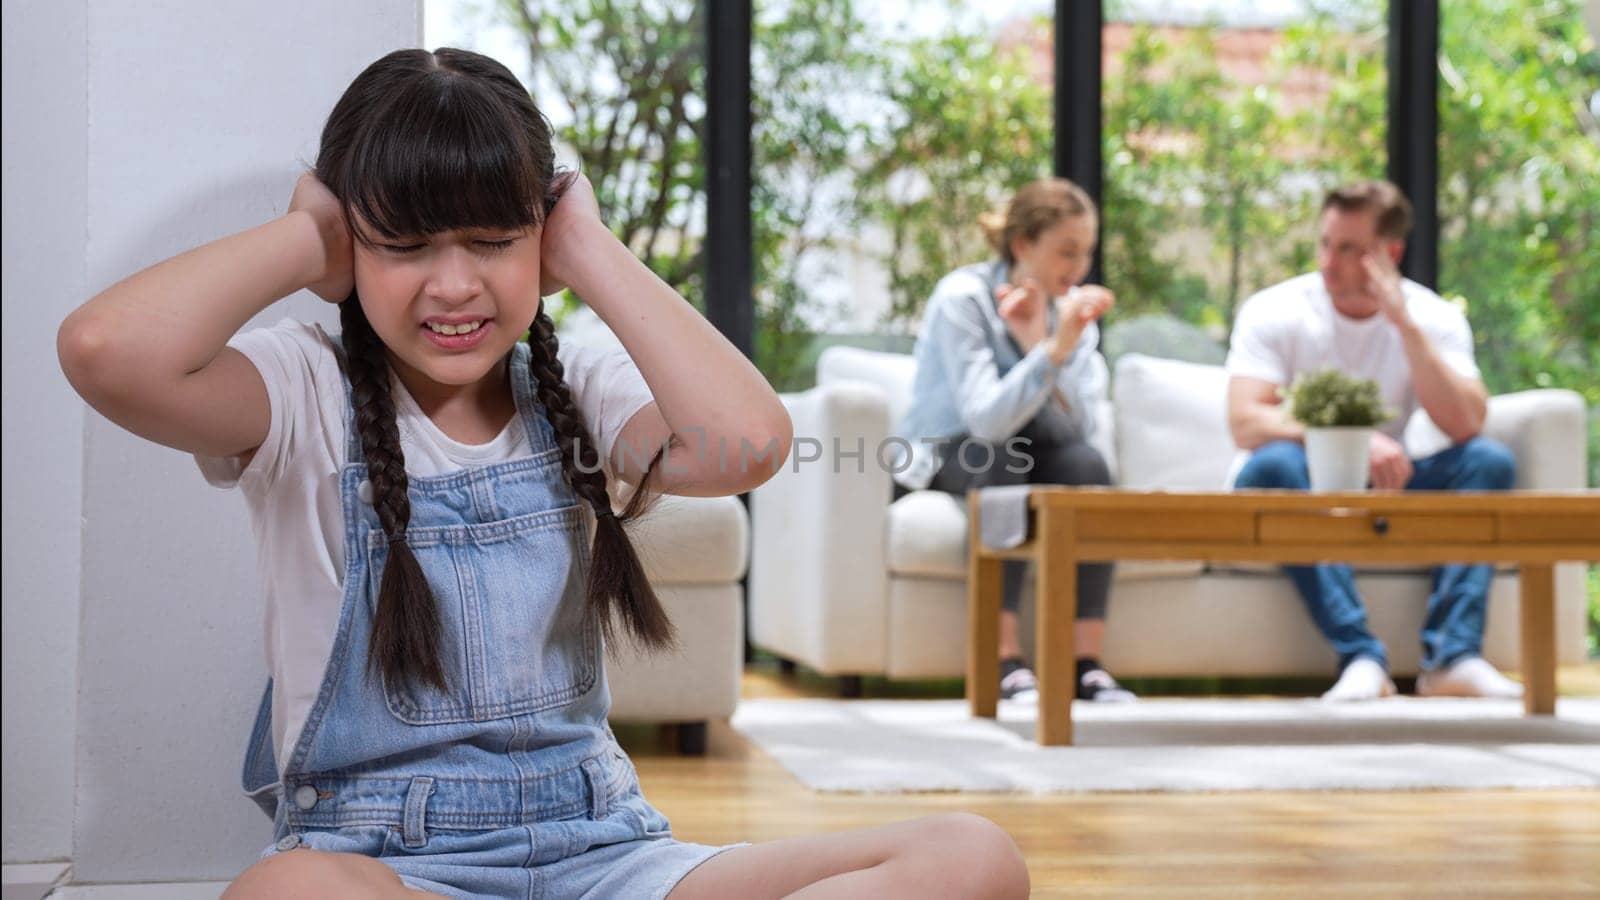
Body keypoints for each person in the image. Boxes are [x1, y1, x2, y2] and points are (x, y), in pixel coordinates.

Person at [57, 48, 1029, 900]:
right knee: (286, 891)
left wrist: (590, 250)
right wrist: (306, 240)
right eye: (405, 245)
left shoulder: (578, 388)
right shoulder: (300, 390)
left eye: (494, 240)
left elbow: (752, 442)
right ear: (354, 247)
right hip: (389, 863)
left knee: (969, 857)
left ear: (541, 238)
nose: (454, 284)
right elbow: (105, 351)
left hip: (608, 857)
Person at [1225, 179, 1522, 702]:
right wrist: (1355, 443)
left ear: (1390, 254)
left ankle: (1452, 659)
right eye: (1325, 244)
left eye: (1349, 249)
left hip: (1391, 485)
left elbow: (1466, 423)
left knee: (1488, 461)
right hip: (1305, 483)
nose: (1329, 262)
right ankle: (1362, 657)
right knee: (1270, 466)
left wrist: (1404, 325)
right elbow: (1246, 422)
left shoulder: (1431, 316)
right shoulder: (1276, 310)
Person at [893, 177, 1135, 705]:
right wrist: (1050, 354)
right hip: (947, 449)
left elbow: (1079, 429)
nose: (1079, 268)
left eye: (1086, 252)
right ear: (1023, 245)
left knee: (1088, 465)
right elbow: (983, 420)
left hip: (1032, 445)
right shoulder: (964, 298)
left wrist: (1038, 341)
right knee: (1002, 455)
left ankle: (1084, 664)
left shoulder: (1069, 315)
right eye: (1066, 251)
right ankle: (1003, 659)